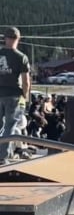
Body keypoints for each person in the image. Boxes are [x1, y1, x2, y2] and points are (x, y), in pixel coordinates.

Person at [0, 26, 31, 165]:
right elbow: (26, 81)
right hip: (13, 95)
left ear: (5, 38)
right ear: (18, 39)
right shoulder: (21, 57)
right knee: (10, 126)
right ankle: (2, 157)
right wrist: (26, 96)